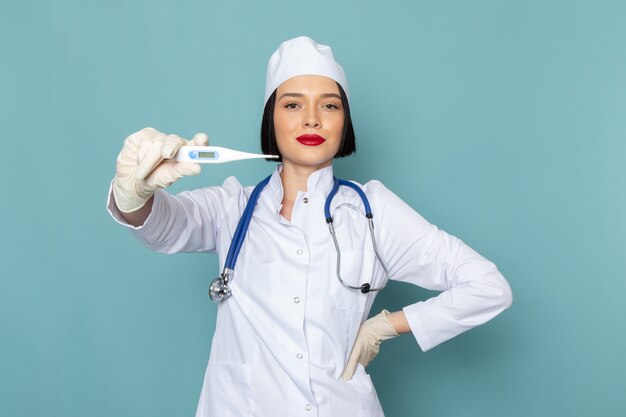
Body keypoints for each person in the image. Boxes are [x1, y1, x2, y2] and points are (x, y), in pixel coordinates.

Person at [107, 36, 513, 417]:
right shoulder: (231, 207)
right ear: (272, 119)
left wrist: (385, 326)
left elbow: (487, 287)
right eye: (293, 105)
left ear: (344, 121)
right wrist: (134, 196)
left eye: (330, 106)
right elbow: (164, 227)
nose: (312, 120)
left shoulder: (374, 210)